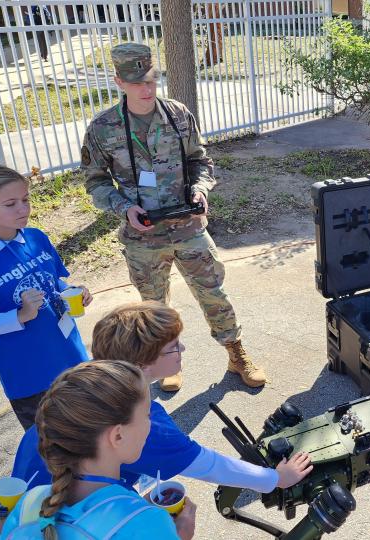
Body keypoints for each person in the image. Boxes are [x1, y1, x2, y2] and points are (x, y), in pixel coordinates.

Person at [81, 42, 264, 392]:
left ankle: (235, 352)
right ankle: (162, 362)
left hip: (188, 226)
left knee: (214, 292)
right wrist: (124, 208)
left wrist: (200, 189)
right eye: (137, 83)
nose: (146, 89)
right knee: (152, 306)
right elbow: (96, 182)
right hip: (143, 235)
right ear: (119, 82)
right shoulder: (103, 129)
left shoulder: (178, 115)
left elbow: (200, 160)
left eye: (150, 80)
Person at [11, 302, 312, 493]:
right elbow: (209, 466)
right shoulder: (141, 423)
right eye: (174, 348)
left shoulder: (82, 387)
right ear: (142, 364)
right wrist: (275, 479)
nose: (183, 352)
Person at [0, 164, 91, 430]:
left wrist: (73, 291)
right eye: (11, 204)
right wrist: (19, 316)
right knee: (58, 457)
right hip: (31, 379)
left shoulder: (35, 237)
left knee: (98, 438)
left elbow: (54, 280)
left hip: (74, 358)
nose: (23, 209)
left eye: (25, 200)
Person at [1, 360, 196, 539]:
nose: (150, 423)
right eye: (146, 414)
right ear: (118, 436)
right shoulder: (150, 525)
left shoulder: (27, 504)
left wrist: (135, 510)